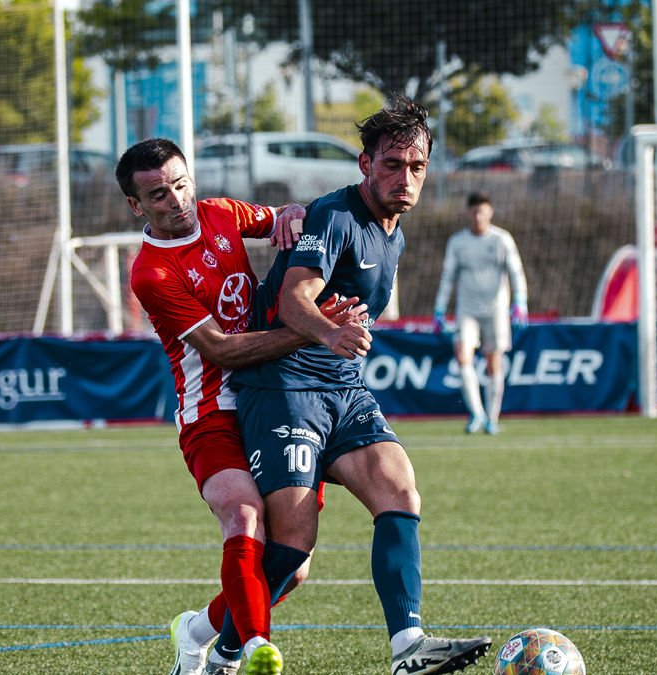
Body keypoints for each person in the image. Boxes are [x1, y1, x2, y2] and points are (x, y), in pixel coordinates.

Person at [230, 95, 493, 675]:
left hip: (341, 388)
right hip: (283, 387)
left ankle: (408, 648)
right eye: (392, 164)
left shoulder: (392, 234)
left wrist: (336, 345)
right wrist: (329, 333)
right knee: (293, 550)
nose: (405, 177)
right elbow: (293, 297)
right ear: (364, 164)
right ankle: (213, 642)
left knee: (399, 490)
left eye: (416, 167)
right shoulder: (335, 216)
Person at [117, 138, 364, 675]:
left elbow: (287, 219)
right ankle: (246, 652)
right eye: (158, 194)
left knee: (290, 567)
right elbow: (223, 350)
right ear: (137, 206)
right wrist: (318, 332)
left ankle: (199, 630)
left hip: (276, 397)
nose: (176, 200)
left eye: (181, 184)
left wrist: (295, 214)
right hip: (210, 413)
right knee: (243, 514)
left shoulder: (222, 213)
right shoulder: (150, 274)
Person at [431, 192, 529, 435]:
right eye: (474, 212)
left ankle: (492, 418)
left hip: (496, 310)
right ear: (468, 213)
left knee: (493, 363)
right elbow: (447, 277)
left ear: (490, 213)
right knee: (463, 357)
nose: (478, 217)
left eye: (482, 212)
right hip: (467, 311)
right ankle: (476, 413)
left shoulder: (501, 239)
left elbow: (516, 271)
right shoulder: (458, 242)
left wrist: (520, 300)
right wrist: (440, 307)